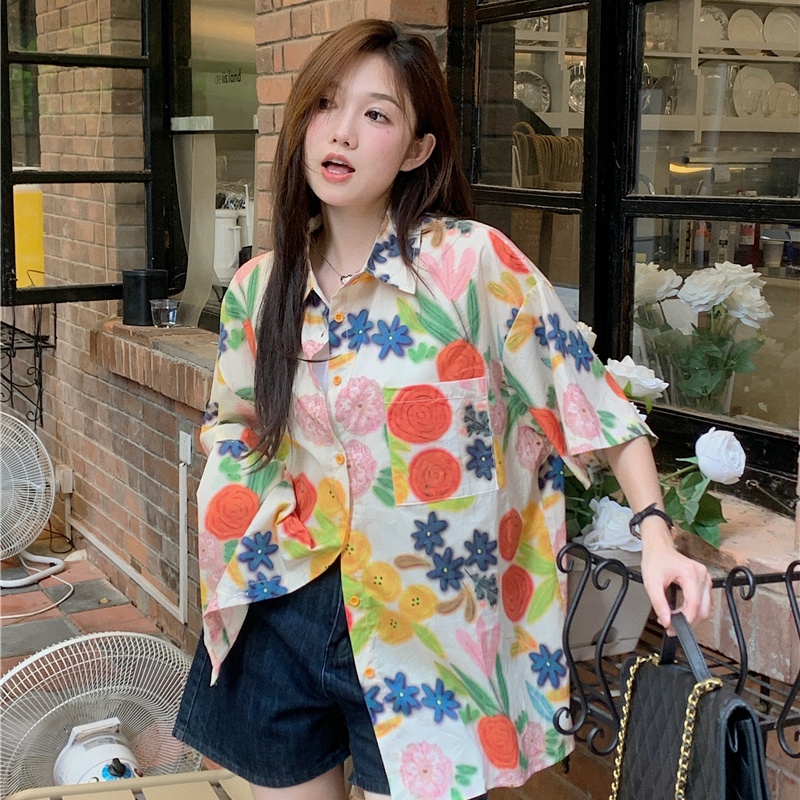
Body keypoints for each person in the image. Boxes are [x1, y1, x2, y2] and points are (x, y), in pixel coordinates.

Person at [173, 19, 711, 800]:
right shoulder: (262, 286)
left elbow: (589, 398)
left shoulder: (469, 267)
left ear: (417, 148)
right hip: (284, 601)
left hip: (428, 634)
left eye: (376, 114)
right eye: (325, 105)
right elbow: (237, 422)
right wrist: (233, 510)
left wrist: (656, 535)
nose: (342, 132)